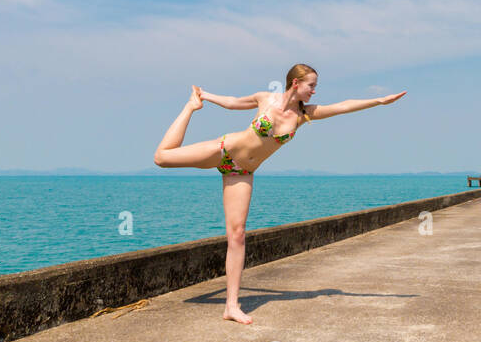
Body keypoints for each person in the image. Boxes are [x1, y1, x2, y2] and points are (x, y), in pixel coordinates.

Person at [153, 63, 406, 324]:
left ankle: (231, 305)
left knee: (237, 234)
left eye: (315, 87)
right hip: (224, 150)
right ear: (295, 83)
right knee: (161, 158)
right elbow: (232, 102)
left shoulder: (304, 115)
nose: (314, 91)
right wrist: (204, 97)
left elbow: (342, 106)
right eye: (311, 85)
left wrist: (379, 101)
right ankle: (189, 108)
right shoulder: (266, 99)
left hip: (241, 172)